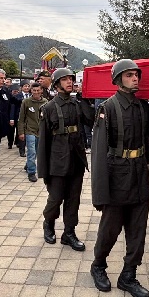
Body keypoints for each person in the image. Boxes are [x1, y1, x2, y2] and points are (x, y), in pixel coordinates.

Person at [90, 59, 149, 297]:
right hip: (116, 175)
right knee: (110, 228)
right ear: (118, 79)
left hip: (139, 175)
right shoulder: (107, 108)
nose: (135, 78)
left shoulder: (142, 107)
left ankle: (128, 275)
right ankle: (98, 265)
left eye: (136, 75)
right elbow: (98, 152)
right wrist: (100, 193)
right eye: (129, 75)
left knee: (138, 230)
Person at [37, 69, 93, 250]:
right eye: (65, 79)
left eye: (71, 79)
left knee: (73, 199)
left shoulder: (77, 104)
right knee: (55, 198)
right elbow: (43, 142)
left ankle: (69, 233)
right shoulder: (48, 108)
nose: (70, 82)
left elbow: (91, 120)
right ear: (56, 84)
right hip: (57, 162)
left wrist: (84, 97)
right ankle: (48, 223)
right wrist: (43, 170)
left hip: (76, 160)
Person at [17, 82, 46, 182]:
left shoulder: (45, 102)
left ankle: (28, 165)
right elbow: (21, 118)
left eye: (38, 90)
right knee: (31, 151)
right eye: (34, 90)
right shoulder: (26, 102)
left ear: (41, 91)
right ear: (31, 91)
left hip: (41, 131)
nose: (36, 92)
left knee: (37, 151)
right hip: (30, 130)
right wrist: (21, 132)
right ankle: (31, 172)